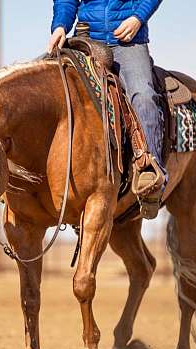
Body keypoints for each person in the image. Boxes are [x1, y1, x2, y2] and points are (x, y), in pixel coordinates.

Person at [47, 0, 166, 218]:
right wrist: (60, 26)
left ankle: (149, 169)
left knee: (143, 95)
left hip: (127, 42)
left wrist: (137, 18)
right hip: (86, 39)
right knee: (47, 88)